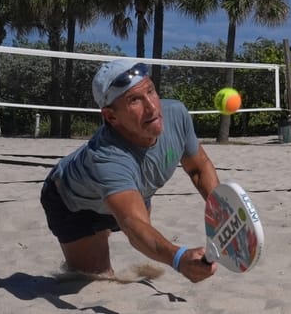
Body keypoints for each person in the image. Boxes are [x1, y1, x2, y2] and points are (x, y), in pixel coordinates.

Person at [40, 59, 220, 282]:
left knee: (141, 231)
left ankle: (107, 227)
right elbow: (134, 225)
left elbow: (198, 168)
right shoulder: (106, 157)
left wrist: (222, 211)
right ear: (111, 116)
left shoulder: (176, 114)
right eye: (134, 100)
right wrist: (179, 258)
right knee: (96, 278)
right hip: (73, 204)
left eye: (150, 91)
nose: (152, 107)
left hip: (131, 190)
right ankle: (96, 236)